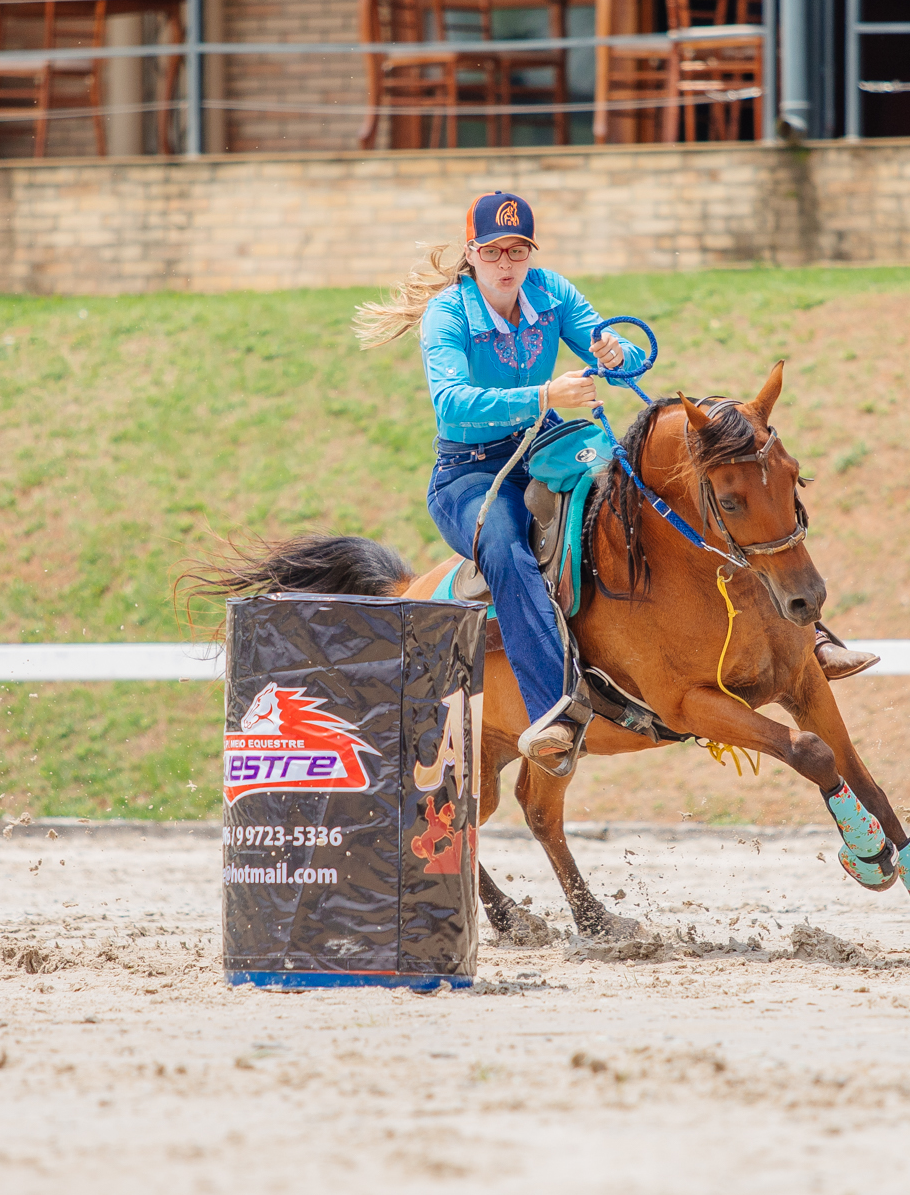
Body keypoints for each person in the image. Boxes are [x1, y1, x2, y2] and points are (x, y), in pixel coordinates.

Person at [354, 191, 872, 778]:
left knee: (652, 490)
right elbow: (450, 404)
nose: (506, 263)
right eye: (494, 251)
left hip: (546, 446)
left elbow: (622, 359)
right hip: (469, 472)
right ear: (472, 253)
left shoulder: (550, 292)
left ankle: (809, 638)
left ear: (530, 254)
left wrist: (612, 349)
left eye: (517, 251)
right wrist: (546, 395)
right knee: (504, 544)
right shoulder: (449, 314)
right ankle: (555, 708)